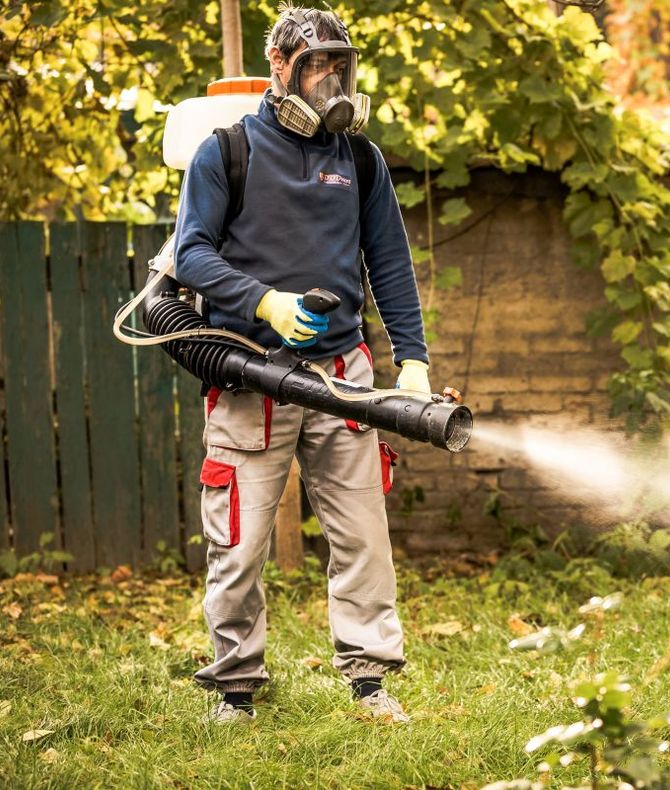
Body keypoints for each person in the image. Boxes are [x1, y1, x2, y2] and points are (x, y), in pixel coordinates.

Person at [172, 4, 428, 724]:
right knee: (240, 541)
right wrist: (265, 304)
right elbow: (191, 253)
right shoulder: (226, 153)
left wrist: (411, 361)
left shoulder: (362, 159)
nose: (332, 80)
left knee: (361, 535)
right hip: (251, 372)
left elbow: (391, 264)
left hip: (342, 376)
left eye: (340, 65)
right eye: (318, 65)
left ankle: (371, 680)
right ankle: (236, 687)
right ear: (279, 67)